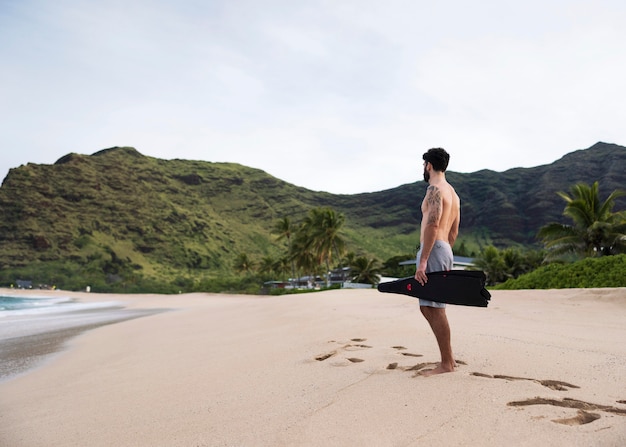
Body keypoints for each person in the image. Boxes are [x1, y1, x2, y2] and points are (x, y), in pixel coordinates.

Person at [414, 148, 460, 376]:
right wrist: (444, 250)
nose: (423, 168)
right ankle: (448, 358)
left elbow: (432, 224)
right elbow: (454, 230)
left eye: (424, 165)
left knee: (435, 307)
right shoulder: (452, 192)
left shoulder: (434, 189)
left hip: (433, 250)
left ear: (428, 165)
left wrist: (424, 260)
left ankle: (447, 363)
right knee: (428, 306)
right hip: (444, 248)